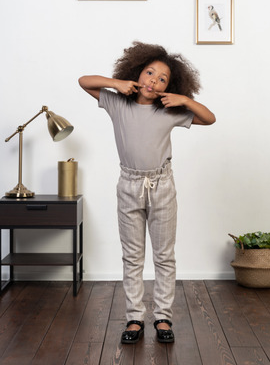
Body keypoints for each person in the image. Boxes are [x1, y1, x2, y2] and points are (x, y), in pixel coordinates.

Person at [79, 41, 215, 344]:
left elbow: (209, 118)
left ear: (170, 87)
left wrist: (185, 100)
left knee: (164, 255)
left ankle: (163, 317)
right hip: (128, 186)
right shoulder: (117, 103)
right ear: (136, 72)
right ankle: (134, 318)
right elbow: (84, 82)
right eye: (149, 72)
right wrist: (116, 84)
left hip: (162, 185)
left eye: (162, 78)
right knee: (133, 256)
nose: (153, 80)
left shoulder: (170, 111)